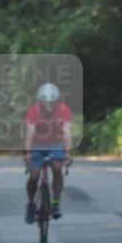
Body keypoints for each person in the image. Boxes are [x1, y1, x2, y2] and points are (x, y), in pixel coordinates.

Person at [25, 83, 73, 222]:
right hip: (37, 145)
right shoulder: (33, 110)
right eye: (45, 101)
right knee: (34, 176)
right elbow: (30, 133)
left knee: (57, 169)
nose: (48, 104)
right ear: (40, 100)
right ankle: (31, 204)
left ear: (56, 100)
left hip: (55, 144)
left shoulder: (64, 110)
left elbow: (67, 132)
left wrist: (67, 152)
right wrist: (27, 152)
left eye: (51, 101)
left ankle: (56, 204)